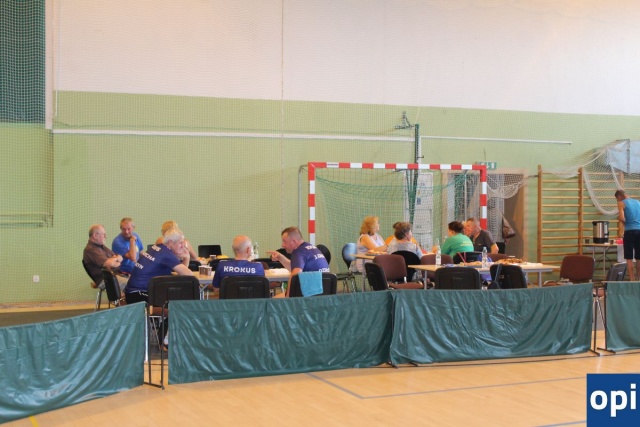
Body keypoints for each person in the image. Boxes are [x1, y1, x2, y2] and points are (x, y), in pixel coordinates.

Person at [125, 227, 193, 305]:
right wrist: (187, 257)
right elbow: (189, 275)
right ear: (170, 242)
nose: (183, 246)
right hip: (139, 295)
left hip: (132, 293)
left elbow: (183, 275)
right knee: (178, 302)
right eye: (180, 243)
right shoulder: (166, 254)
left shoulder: (156, 247)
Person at [268, 227, 330, 297]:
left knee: (272, 301)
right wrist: (280, 257)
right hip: (325, 294)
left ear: (293, 241)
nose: (283, 245)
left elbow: (295, 276)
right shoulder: (312, 248)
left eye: (284, 241)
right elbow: (294, 267)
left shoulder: (298, 252)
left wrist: (288, 297)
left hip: (310, 296)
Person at [83, 224, 126, 290]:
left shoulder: (102, 246)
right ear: (95, 235)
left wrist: (114, 259)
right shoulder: (90, 250)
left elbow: (119, 258)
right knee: (133, 284)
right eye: (103, 234)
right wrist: (115, 260)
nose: (105, 237)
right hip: (106, 279)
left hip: (115, 275)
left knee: (137, 280)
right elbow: (109, 263)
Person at [615, 189, 640, 280]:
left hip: (629, 231)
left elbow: (622, 218)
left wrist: (621, 220)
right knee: (638, 257)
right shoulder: (638, 202)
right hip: (639, 230)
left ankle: (632, 279)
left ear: (619, 197)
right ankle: (639, 279)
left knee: (629, 257)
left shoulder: (621, 203)